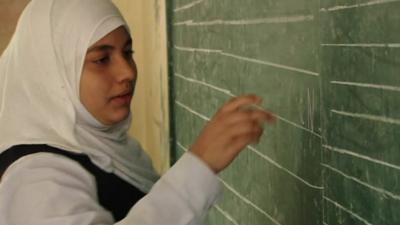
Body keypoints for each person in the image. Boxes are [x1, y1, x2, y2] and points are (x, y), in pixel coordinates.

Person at [0, 0, 273, 224]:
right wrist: (198, 166)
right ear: (51, 73)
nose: (127, 72)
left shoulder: (108, 150)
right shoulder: (35, 178)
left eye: (128, 52)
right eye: (101, 59)